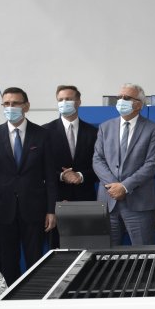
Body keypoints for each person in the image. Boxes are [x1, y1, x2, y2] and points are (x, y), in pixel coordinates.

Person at [0, 87, 57, 283]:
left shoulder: (42, 135)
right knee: (7, 261)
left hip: (34, 209)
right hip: (3, 210)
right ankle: (10, 296)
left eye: (15, 103)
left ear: (26, 106)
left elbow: (50, 177)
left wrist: (51, 210)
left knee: (35, 259)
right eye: (6, 104)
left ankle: (36, 295)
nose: (10, 107)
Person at [92, 83, 155, 246]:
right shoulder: (105, 127)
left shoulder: (152, 129)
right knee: (108, 254)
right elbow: (98, 159)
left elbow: (151, 164)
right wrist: (114, 187)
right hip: (108, 202)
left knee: (144, 255)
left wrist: (124, 187)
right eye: (119, 97)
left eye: (126, 98)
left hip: (139, 203)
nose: (121, 101)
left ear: (139, 104)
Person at [43, 85, 99, 248]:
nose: (64, 103)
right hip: (56, 201)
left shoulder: (93, 132)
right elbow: (40, 168)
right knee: (58, 250)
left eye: (68, 99)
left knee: (87, 249)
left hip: (86, 201)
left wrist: (80, 176)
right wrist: (62, 176)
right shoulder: (44, 132)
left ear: (78, 102)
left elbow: (100, 166)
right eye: (60, 100)